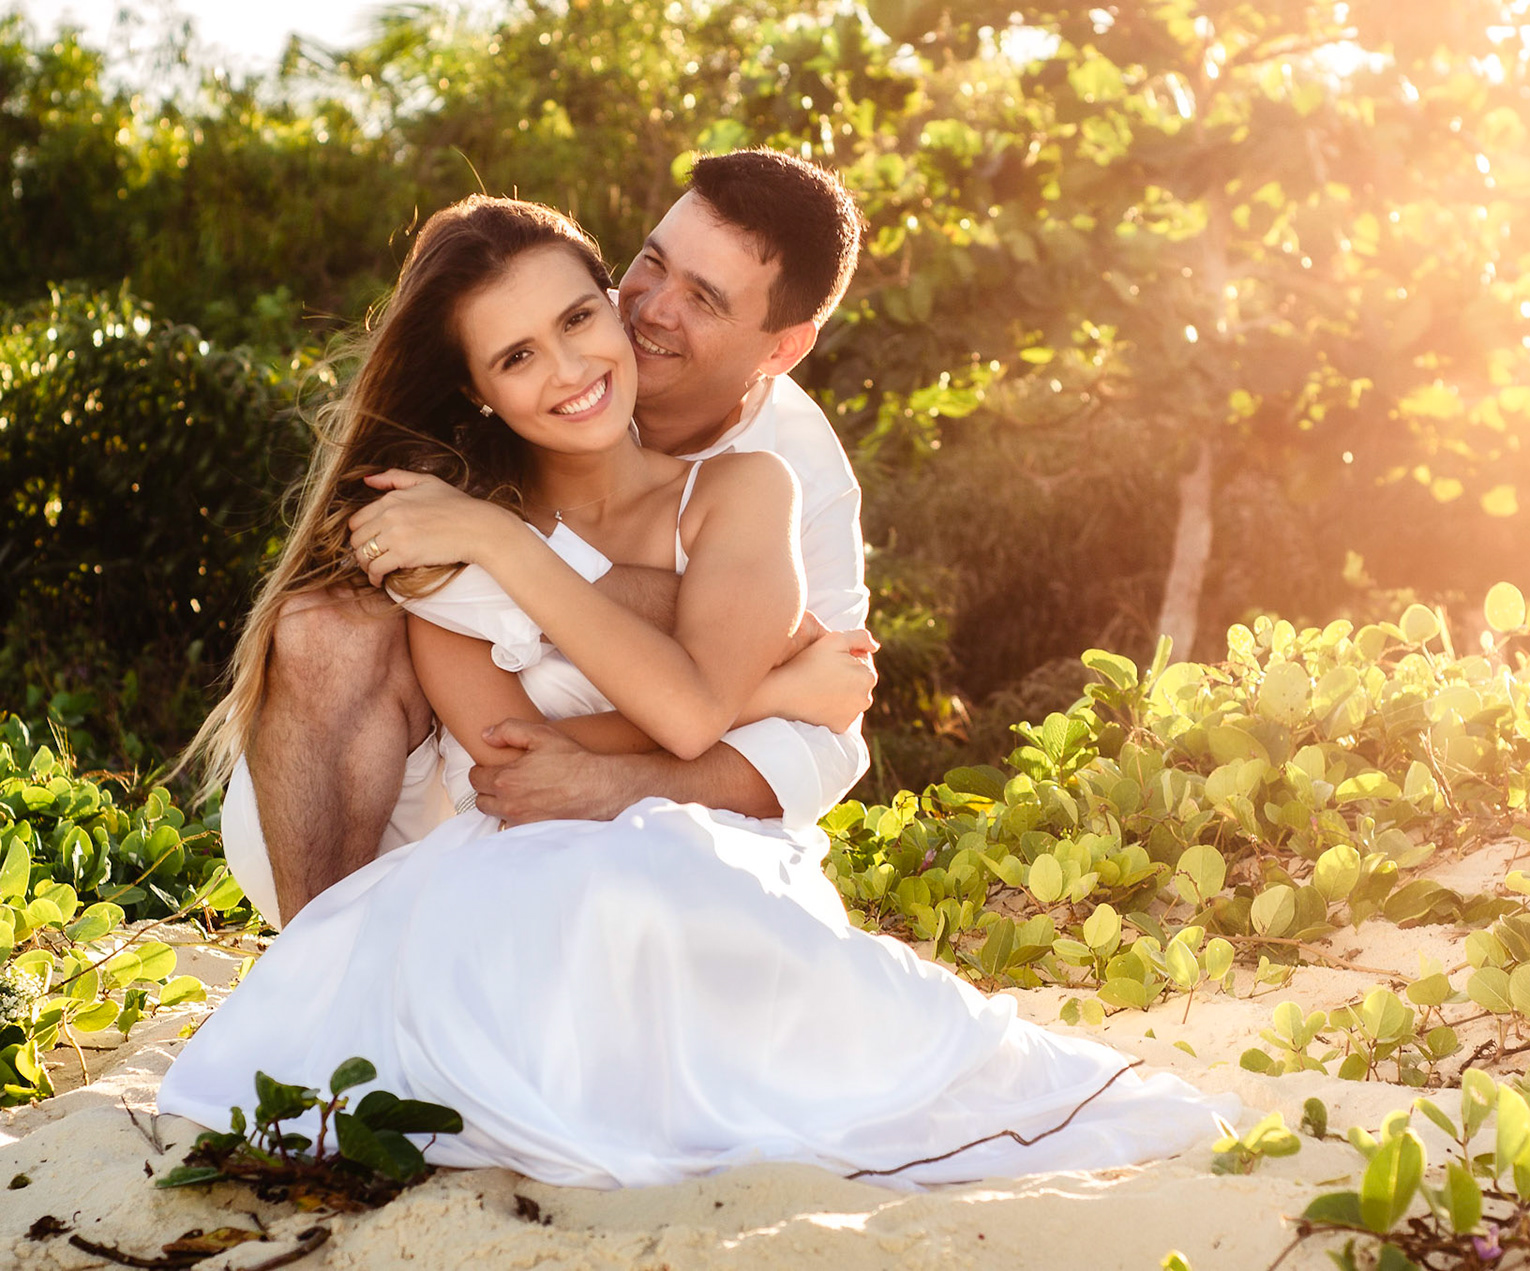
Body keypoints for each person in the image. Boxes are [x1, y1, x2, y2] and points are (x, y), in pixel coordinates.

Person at [158, 195, 1228, 1186]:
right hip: (471, 833)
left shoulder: (762, 475)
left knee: (654, 894)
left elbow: (709, 718)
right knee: (560, 900)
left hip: (687, 836)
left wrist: (540, 584)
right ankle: (314, 980)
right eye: (520, 353)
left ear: (774, 343)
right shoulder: (456, 513)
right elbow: (525, 757)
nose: (600, 344)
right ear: (479, 386)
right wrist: (762, 681)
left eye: (586, 319)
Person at [201, 149, 876, 928]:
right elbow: (777, 668)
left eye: (706, 300)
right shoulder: (511, 372)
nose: (650, 308)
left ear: (781, 348)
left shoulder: (788, 471)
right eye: (652, 263)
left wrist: (611, 781)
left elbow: (822, 733)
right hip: (437, 784)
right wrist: (763, 669)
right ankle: (318, 952)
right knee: (327, 622)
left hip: (650, 800)